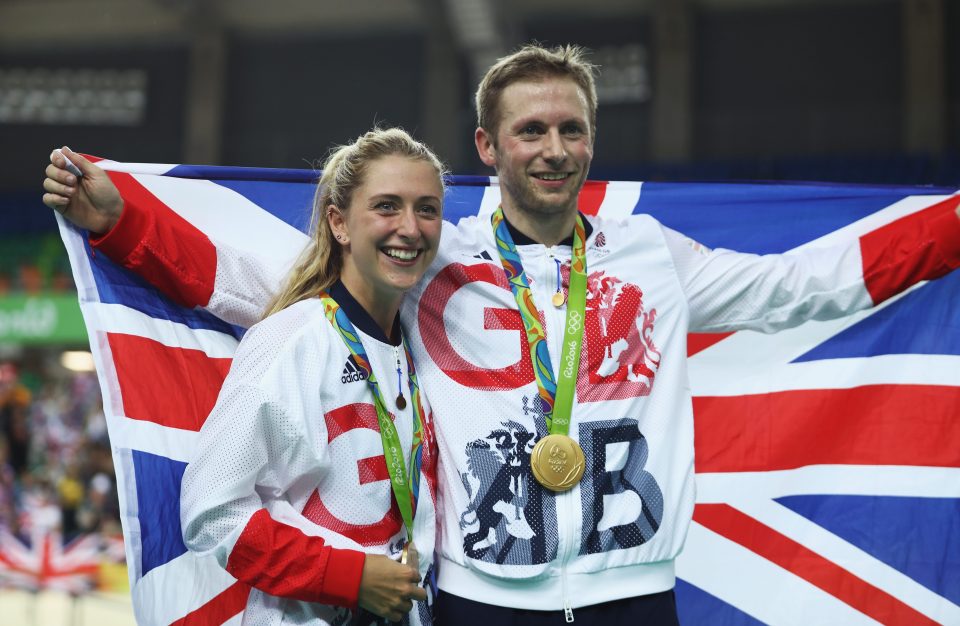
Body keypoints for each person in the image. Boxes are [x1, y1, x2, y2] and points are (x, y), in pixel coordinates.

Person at [43, 45, 960, 626]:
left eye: (571, 129)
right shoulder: (436, 254)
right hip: (480, 604)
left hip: (630, 598)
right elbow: (265, 287)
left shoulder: (652, 258)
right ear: (489, 147)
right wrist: (119, 224)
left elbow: (807, 284)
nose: (554, 148)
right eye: (531, 130)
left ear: (593, 143)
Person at [46, 128, 447, 625]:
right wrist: (347, 577)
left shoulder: (425, 342)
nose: (410, 227)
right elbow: (211, 512)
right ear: (339, 224)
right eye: (387, 206)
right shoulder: (292, 338)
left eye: (427, 209)